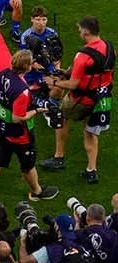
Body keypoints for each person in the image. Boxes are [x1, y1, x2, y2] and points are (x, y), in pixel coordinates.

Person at [0, 50, 62, 202]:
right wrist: (36, 110)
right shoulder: (22, 91)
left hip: (2, 126)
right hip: (19, 135)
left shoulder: (3, 74)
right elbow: (18, 118)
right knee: (28, 165)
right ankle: (37, 192)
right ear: (27, 66)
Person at [47, 16, 111, 184]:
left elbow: (74, 84)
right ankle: (91, 170)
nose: (79, 33)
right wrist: (67, 72)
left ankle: (58, 157)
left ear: (85, 32)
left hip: (81, 98)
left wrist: (55, 81)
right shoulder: (109, 47)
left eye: (79, 30)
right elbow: (96, 70)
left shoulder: (82, 56)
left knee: (61, 117)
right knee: (89, 132)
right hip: (102, 98)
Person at [21, 7, 69, 171]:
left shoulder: (52, 33)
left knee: (58, 87)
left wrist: (55, 71)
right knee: (29, 100)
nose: (41, 22)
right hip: (32, 76)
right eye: (38, 19)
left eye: (44, 19)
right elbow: (26, 59)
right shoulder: (26, 36)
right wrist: (36, 66)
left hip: (47, 72)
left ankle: (50, 108)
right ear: (32, 19)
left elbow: (57, 55)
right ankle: (46, 106)